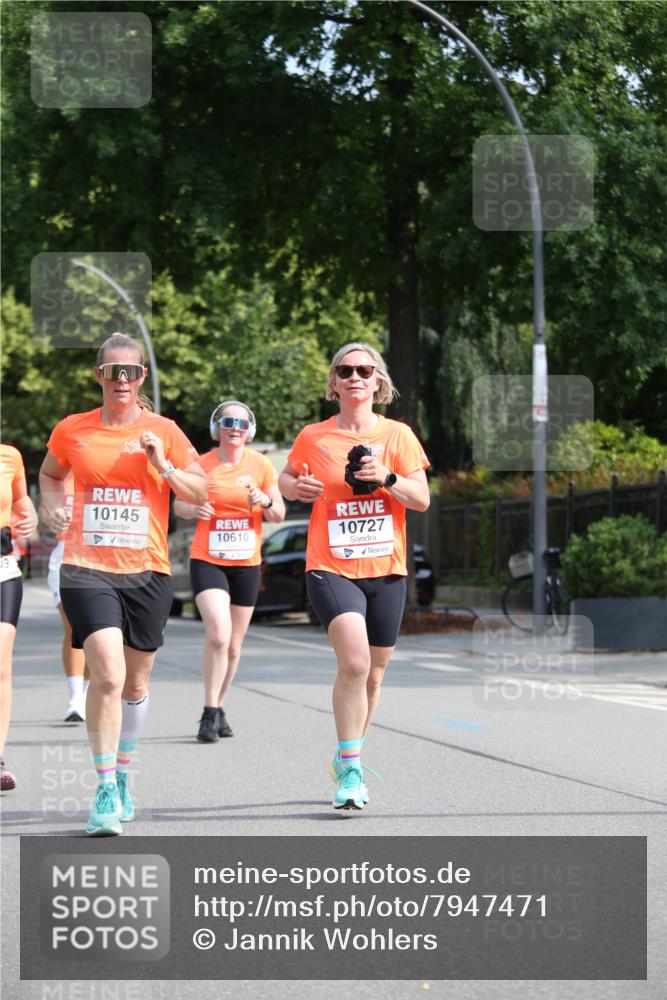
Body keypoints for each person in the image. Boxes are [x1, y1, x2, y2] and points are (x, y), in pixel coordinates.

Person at [39, 333, 207, 836]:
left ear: (141, 378)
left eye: (130, 372)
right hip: (86, 569)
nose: (122, 381)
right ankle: (105, 787)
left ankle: (125, 774)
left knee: (135, 683)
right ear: (99, 376)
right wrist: (51, 505)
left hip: (147, 570)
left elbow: (200, 490)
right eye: (112, 372)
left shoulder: (165, 430)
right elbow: (50, 474)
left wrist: (164, 463)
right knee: (108, 676)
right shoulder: (73, 430)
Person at [279, 343, 429, 812]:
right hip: (331, 566)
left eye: (364, 370)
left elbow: (421, 499)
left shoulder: (399, 435)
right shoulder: (314, 437)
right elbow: (284, 479)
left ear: (378, 382)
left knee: (376, 673)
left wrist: (385, 477)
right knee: (357, 662)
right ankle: (350, 769)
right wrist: (295, 487)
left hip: (386, 569)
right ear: (334, 382)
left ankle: (351, 754)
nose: (355, 377)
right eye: (345, 370)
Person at [174, 401, 285, 742]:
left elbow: (278, 512)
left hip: (246, 564)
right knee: (219, 634)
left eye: (241, 422)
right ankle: (208, 713)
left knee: (234, 645)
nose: (234, 427)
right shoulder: (201, 464)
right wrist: (194, 508)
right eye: (228, 421)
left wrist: (263, 502)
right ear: (217, 426)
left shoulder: (262, 464)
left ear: (249, 429)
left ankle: (220, 706)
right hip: (208, 559)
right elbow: (177, 502)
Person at [1, 444, 39, 791]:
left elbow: (20, 499)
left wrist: (29, 515)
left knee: (1, 665)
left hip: (2, 565)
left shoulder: (10, 456)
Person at [43, 473, 89, 722]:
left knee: (94, 631)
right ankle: (75, 700)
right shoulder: (59, 474)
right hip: (66, 556)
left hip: (100, 556)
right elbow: (45, 511)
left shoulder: (103, 467)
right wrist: (51, 516)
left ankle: (86, 692)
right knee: (73, 627)